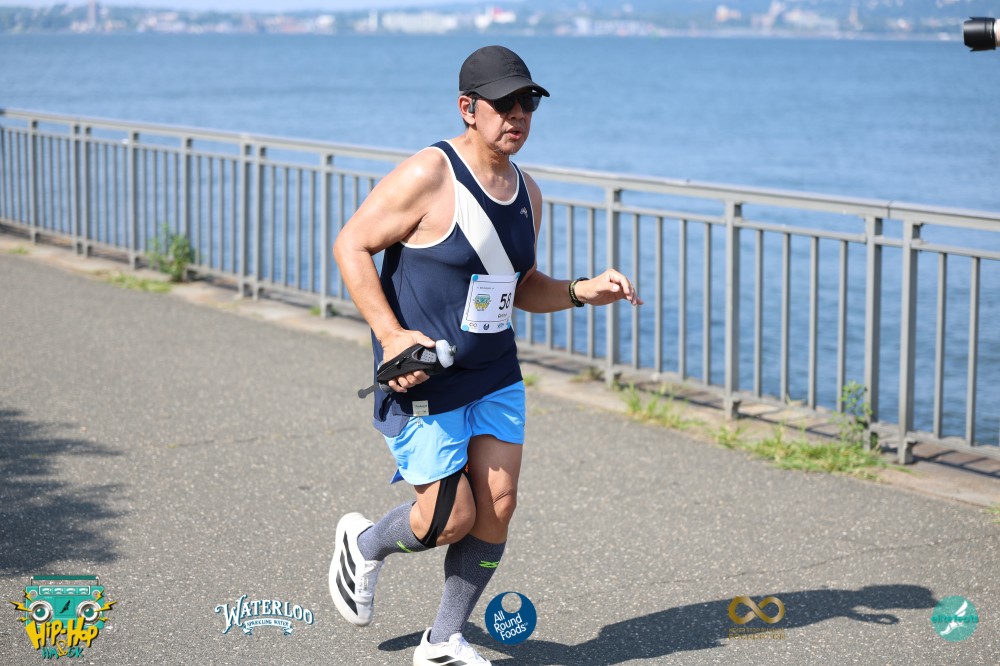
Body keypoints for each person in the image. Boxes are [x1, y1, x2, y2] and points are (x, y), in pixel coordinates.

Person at [330, 44, 642, 666]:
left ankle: (443, 640)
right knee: (447, 519)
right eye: (504, 103)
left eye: (528, 102)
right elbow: (351, 244)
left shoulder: (529, 192)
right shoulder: (430, 173)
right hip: (426, 380)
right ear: (468, 108)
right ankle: (364, 546)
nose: (518, 114)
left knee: (497, 506)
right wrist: (391, 335)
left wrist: (582, 291)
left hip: (495, 372)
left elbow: (521, 285)